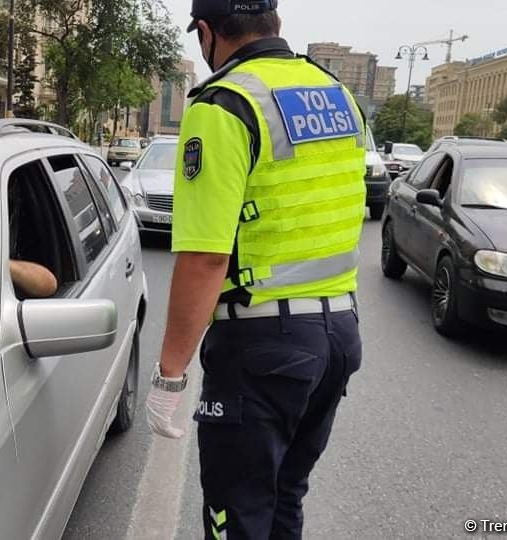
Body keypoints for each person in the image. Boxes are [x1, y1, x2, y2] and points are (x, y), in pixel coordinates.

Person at [144, 1, 367, 538]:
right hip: (339, 335)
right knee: (284, 499)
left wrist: (170, 374)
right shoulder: (337, 94)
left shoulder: (225, 103)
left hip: (264, 346)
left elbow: (205, 256)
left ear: (206, 32)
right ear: (276, 24)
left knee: (235, 511)